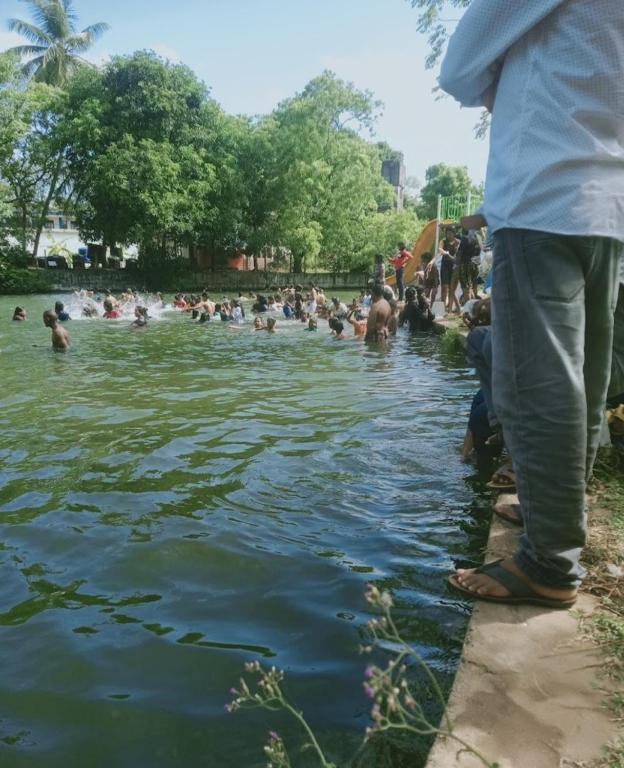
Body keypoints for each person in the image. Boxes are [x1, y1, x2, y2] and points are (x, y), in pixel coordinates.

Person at [441, 0, 624, 608]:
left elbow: (459, 69)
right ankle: (559, 514)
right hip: (607, 202)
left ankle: (549, 560)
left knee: (538, 384)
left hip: (541, 194)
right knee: (584, 378)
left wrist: (500, 71)